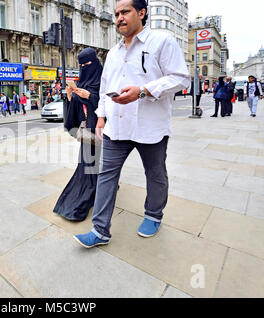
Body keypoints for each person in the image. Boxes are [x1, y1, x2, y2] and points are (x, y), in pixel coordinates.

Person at [73, 0, 190, 248]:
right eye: (116, 14)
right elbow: (105, 88)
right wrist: (101, 116)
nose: (119, 18)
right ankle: (100, 230)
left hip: (151, 125)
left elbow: (180, 78)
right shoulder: (113, 52)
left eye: (125, 12)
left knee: (155, 174)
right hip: (117, 126)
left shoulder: (162, 41)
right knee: (106, 175)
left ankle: (153, 215)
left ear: (142, 13)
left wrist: (144, 90)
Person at [53, 47, 103, 222]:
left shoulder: (104, 80)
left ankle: (100, 189)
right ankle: (82, 199)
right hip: (88, 132)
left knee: (101, 165)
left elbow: (110, 103)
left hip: (103, 130)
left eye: (87, 64)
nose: (84, 68)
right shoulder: (82, 82)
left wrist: (91, 97)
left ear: (95, 63)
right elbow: (73, 113)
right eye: (81, 65)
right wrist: (69, 97)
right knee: (87, 166)